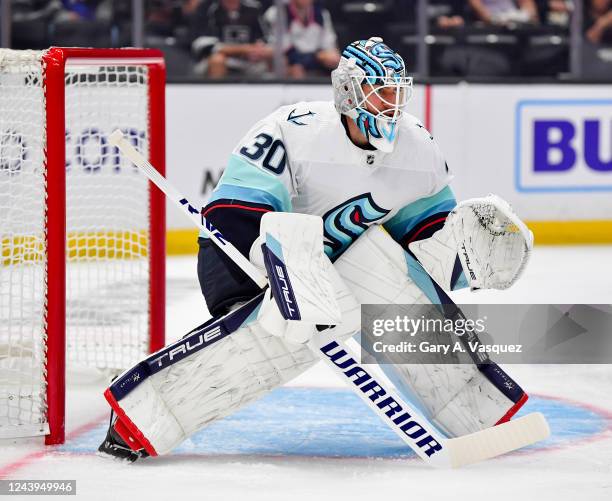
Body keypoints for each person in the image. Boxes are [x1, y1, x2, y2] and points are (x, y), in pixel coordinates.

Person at [98, 37, 532, 461]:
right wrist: (284, 277)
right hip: (239, 258)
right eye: (378, 91)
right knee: (264, 334)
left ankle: (478, 410)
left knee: (394, 284)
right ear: (348, 91)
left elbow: (422, 239)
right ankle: (138, 418)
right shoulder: (292, 129)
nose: (390, 104)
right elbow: (233, 213)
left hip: (336, 271)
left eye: (396, 92)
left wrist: (459, 256)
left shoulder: (418, 149)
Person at [190, 0, 273, 78]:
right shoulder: (208, 8)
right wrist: (242, 49)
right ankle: (218, 92)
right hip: (218, 58)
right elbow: (201, 43)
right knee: (217, 60)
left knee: (273, 56)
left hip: (249, 60)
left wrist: (260, 47)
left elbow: (266, 38)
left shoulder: (254, 7)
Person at [263, 0, 340, 78]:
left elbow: (329, 46)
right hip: (287, 65)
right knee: (288, 65)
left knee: (334, 60)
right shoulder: (277, 12)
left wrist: (329, 56)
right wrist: (317, 56)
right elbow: (281, 48)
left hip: (315, 64)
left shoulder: (322, 14)